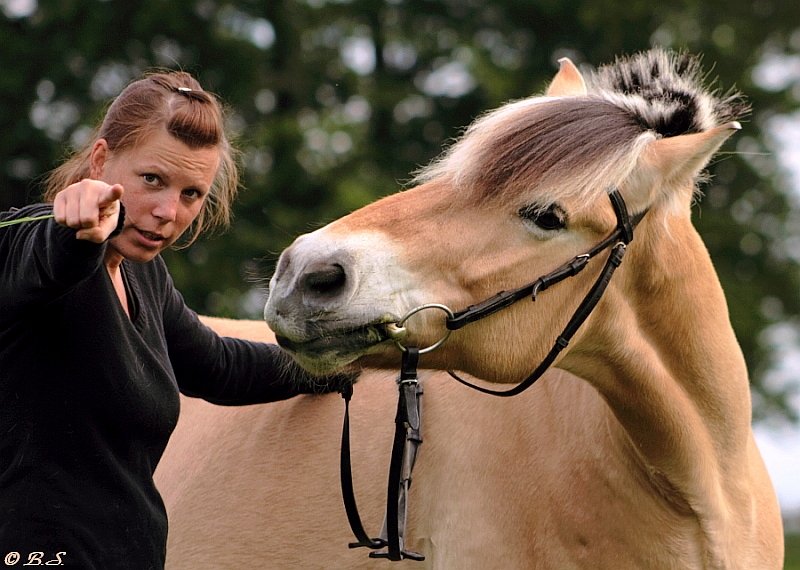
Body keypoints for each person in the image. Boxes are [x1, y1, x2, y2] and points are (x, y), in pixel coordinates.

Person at [0, 71, 347, 569]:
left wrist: (340, 361)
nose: (168, 211)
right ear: (101, 160)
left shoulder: (146, 276)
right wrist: (73, 230)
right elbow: (49, 257)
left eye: (191, 194)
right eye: (152, 180)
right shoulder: (27, 243)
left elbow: (216, 364)